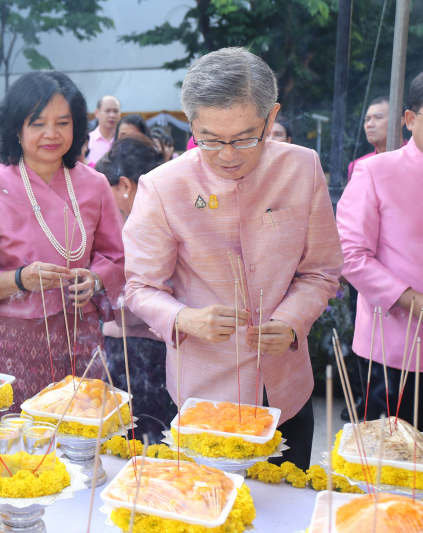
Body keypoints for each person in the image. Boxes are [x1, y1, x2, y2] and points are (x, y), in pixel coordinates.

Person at [123, 47, 343, 470]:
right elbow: (140, 287)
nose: (228, 154)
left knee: (285, 496)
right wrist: (185, 318)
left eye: (245, 137)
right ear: (191, 124)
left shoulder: (302, 168)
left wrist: (291, 320)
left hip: (284, 388)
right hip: (204, 392)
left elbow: (321, 271)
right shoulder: (164, 186)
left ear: (271, 118)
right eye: (209, 139)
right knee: (208, 499)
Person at [0, 71, 126, 411]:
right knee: (14, 435)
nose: (51, 134)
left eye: (63, 123)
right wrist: (20, 279)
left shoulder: (95, 184)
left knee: (79, 426)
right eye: (37, 124)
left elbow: (116, 257)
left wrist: (95, 279)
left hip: (79, 335)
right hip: (10, 343)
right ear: (17, 129)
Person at [337, 71, 423, 423]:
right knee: (393, 451)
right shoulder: (376, 171)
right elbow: (350, 254)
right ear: (410, 119)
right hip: (394, 342)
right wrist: (413, 300)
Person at [95, 135, 169, 443]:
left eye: (108, 190)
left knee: (135, 438)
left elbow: (142, 293)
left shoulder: (144, 222)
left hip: (137, 347)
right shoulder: (165, 212)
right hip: (158, 343)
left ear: (124, 185)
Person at [348, 96, 392, 180]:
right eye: (367, 119)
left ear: (400, 121)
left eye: (378, 117)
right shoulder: (358, 166)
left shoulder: (415, 159)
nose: (369, 124)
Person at [87, 95, 121, 163]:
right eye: (107, 111)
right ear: (97, 113)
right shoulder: (87, 140)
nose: (112, 115)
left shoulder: (123, 139)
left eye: (115, 111)